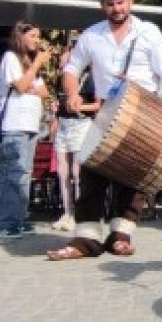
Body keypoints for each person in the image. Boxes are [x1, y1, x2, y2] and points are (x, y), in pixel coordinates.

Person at [48, 0, 162, 260]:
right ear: (103, 5)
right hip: (106, 113)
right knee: (93, 172)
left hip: (145, 111)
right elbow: (72, 69)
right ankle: (86, 239)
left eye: (121, 2)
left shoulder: (149, 32)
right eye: (111, 4)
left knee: (133, 175)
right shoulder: (91, 35)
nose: (116, 8)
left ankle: (121, 235)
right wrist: (73, 93)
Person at [0, 21, 52, 239]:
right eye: (33, 35)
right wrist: (34, 70)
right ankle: (1, 223)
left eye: (38, 35)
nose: (37, 40)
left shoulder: (31, 63)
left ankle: (17, 218)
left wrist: (32, 76)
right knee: (10, 173)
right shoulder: (10, 58)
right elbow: (21, 86)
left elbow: (43, 92)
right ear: (21, 36)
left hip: (31, 124)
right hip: (14, 124)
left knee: (24, 174)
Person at [51, 42, 98, 232]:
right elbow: (59, 101)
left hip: (81, 124)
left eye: (65, 54)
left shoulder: (90, 78)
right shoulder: (61, 79)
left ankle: (80, 213)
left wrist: (81, 107)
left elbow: (99, 105)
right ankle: (67, 211)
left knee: (77, 172)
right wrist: (56, 110)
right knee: (63, 171)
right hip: (64, 123)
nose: (62, 58)